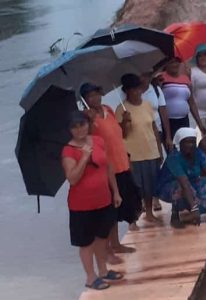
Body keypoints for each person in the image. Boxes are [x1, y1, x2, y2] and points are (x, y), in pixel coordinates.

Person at [61, 111, 123, 290]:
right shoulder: (68, 151)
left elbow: (108, 167)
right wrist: (84, 158)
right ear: (70, 130)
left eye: (82, 124)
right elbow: (72, 178)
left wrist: (116, 192)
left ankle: (103, 271)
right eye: (74, 126)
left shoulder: (98, 141)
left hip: (103, 198)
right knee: (86, 242)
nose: (79, 129)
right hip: (82, 205)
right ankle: (90, 277)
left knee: (102, 237)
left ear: (88, 124)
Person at [80, 83, 141, 265]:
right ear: (84, 100)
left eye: (97, 94)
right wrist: (89, 122)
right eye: (90, 96)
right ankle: (106, 252)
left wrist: (126, 121)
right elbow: (87, 140)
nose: (95, 98)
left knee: (121, 207)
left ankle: (116, 244)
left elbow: (120, 134)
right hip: (106, 170)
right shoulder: (85, 118)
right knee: (108, 214)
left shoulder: (108, 109)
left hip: (121, 163)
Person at [115, 74, 163, 224]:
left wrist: (159, 149)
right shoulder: (121, 109)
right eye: (131, 90)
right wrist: (124, 121)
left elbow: (154, 127)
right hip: (133, 154)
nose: (136, 92)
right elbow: (121, 134)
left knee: (150, 186)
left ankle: (149, 213)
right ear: (126, 91)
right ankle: (133, 220)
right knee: (135, 189)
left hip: (150, 150)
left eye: (137, 89)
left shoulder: (147, 105)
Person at [160, 57, 206, 138]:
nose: (175, 65)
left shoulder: (185, 78)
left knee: (186, 144)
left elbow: (191, 102)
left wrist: (200, 124)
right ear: (166, 64)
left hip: (184, 120)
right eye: (172, 62)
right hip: (168, 122)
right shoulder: (161, 78)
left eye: (177, 62)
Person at [140, 72, 173, 153]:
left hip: (158, 131)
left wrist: (168, 136)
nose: (147, 78)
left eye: (148, 75)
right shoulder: (133, 92)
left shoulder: (156, 89)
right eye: (144, 75)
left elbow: (163, 113)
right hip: (142, 133)